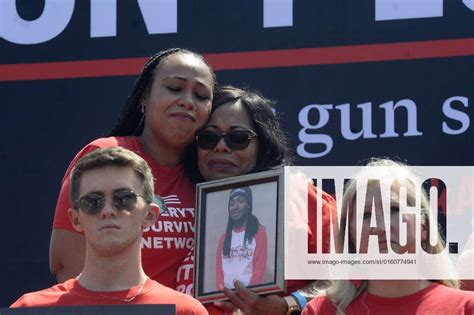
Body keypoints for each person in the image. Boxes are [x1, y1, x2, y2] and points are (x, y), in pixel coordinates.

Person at [49, 48, 216, 289]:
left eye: (201, 95)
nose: (188, 101)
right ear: (144, 96)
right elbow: (66, 264)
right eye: (174, 88)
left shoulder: (210, 176)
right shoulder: (104, 156)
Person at [176, 85, 335, 314]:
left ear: (262, 144)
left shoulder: (299, 196)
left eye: (238, 138)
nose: (221, 147)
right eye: (209, 138)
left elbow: (348, 274)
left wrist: (288, 305)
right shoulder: (172, 200)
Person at [12, 147, 207, 314]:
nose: (107, 210)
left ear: (150, 215)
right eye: (93, 201)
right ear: (75, 219)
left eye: (123, 198)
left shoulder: (185, 311)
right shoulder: (29, 308)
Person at [302, 159, 474, 315]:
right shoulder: (320, 311)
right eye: (366, 215)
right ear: (350, 235)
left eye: (393, 210)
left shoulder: (465, 307)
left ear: (424, 227)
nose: (379, 227)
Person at [216, 186, 267, 289]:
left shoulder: (259, 232)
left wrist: (250, 295)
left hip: (249, 296)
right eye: (232, 203)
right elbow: (219, 273)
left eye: (240, 201)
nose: (235, 207)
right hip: (225, 296)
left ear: (249, 205)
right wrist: (221, 294)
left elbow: (259, 269)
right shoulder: (223, 238)